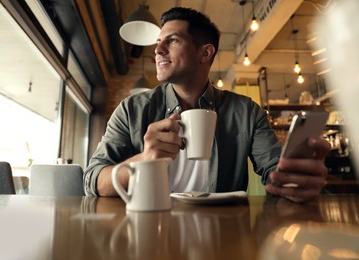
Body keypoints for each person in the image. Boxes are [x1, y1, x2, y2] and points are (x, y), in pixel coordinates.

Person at [84, 7, 331, 202]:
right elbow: (93, 181)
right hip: (149, 230)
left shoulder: (246, 112)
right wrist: (143, 159)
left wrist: (297, 179)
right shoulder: (131, 110)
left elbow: (275, 170)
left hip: (222, 235)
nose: (157, 50)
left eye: (172, 41)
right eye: (158, 41)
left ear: (205, 53)